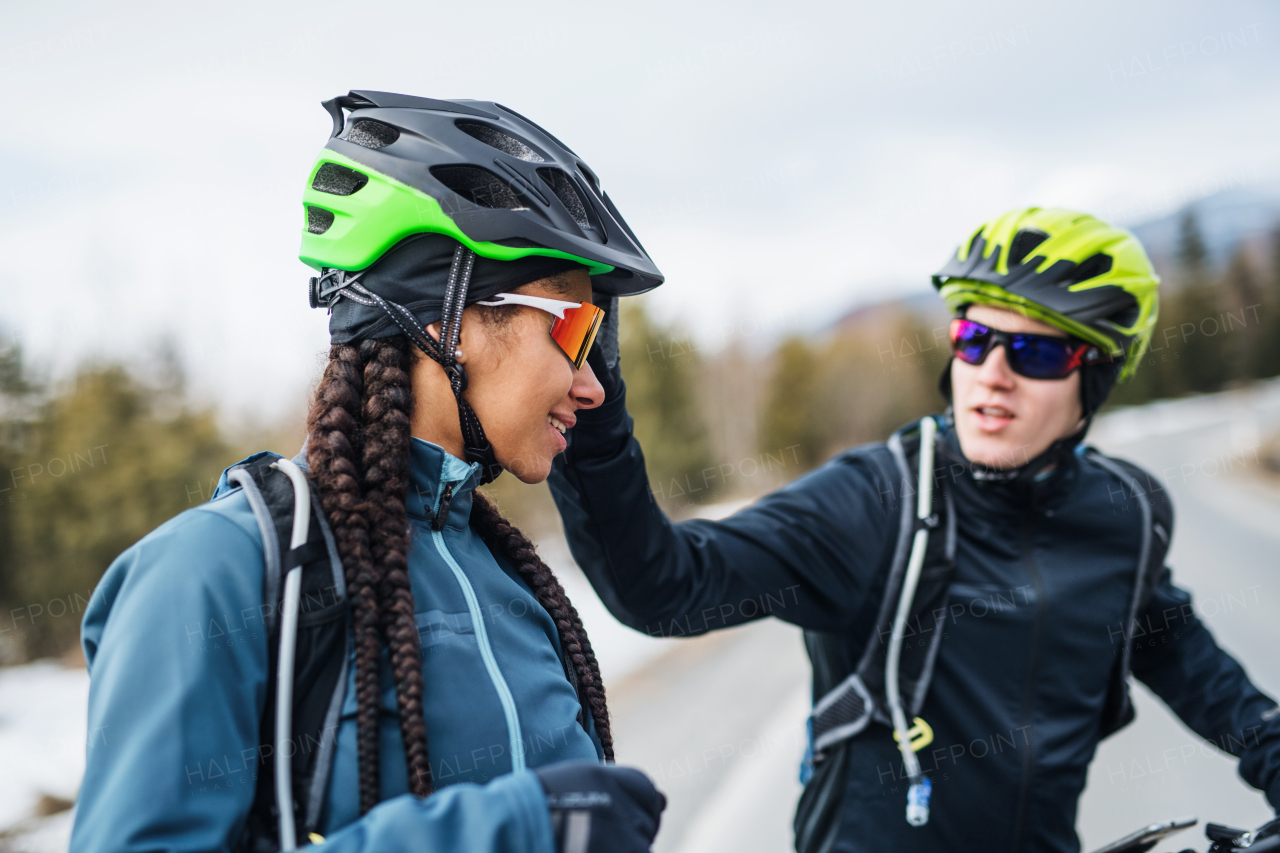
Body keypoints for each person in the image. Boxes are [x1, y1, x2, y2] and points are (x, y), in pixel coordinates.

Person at [548, 207, 1280, 852]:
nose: (993, 373)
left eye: (1037, 352)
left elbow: (1195, 668)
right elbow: (664, 585)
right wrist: (592, 406)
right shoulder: (877, 499)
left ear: (1099, 377)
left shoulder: (1125, 514)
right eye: (973, 338)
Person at [71, 91, 666, 853]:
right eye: (575, 329)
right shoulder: (210, 575)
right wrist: (503, 830)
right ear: (440, 319)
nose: (593, 385)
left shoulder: (509, 580)